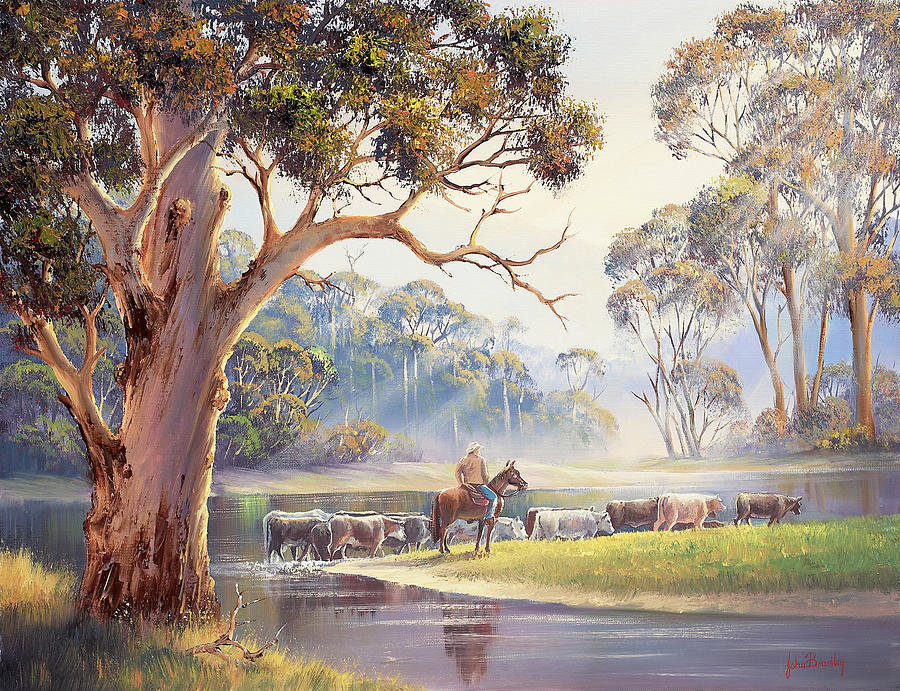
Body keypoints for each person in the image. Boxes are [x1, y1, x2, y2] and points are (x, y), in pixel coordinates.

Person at [454, 442, 497, 522]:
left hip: (467, 486)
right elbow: (485, 475)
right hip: (478, 486)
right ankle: (489, 517)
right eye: (478, 449)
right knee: (493, 497)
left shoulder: (463, 459)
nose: (479, 451)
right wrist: (486, 482)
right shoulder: (481, 459)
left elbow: (457, 473)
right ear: (475, 450)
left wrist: (461, 484)